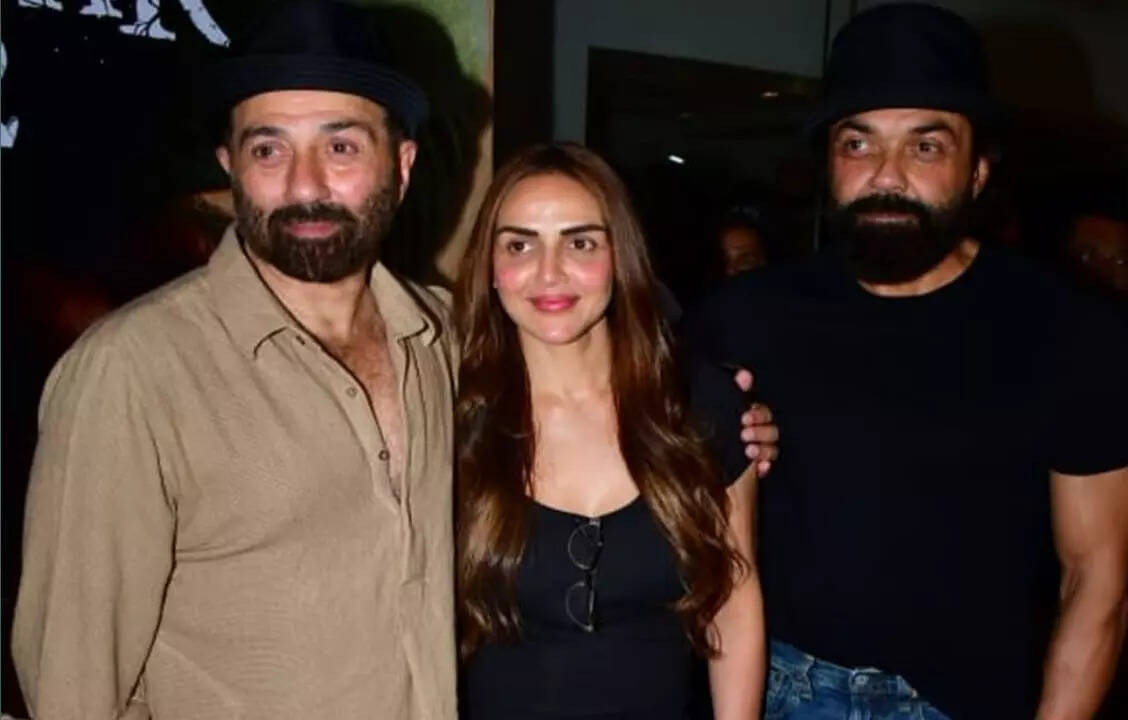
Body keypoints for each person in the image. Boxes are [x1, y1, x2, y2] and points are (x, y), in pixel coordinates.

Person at [9, 3, 780, 718]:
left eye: (341, 145)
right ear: (229, 165)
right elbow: (73, 684)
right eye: (268, 148)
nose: (306, 183)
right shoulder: (134, 373)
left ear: (402, 165)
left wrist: (727, 417)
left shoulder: (444, 344)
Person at [685, 4, 1128, 718]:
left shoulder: (1071, 333)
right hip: (772, 687)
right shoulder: (740, 317)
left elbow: (1096, 583)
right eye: (858, 143)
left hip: (964, 700)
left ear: (978, 170)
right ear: (828, 162)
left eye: (926, 147)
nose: (887, 176)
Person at [454, 143, 766, 719]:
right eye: (520, 245)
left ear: (620, 256)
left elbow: (735, 597)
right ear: (490, 268)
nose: (549, 272)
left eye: (580, 243)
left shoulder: (700, 405)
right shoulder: (451, 414)